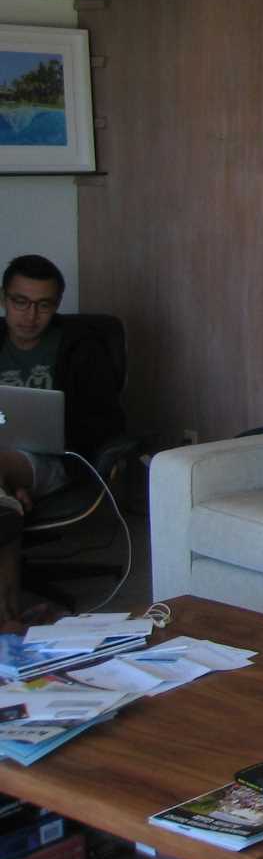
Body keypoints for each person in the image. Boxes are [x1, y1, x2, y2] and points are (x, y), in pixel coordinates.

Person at [0, 255, 124, 623]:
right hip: (10, 469)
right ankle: (6, 616)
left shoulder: (80, 348)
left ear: (56, 305)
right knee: (2, 505)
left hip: (53, 459)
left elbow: (105, 421)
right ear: (4, 298)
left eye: (43, 305)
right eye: (19, 301)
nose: (30, 315)